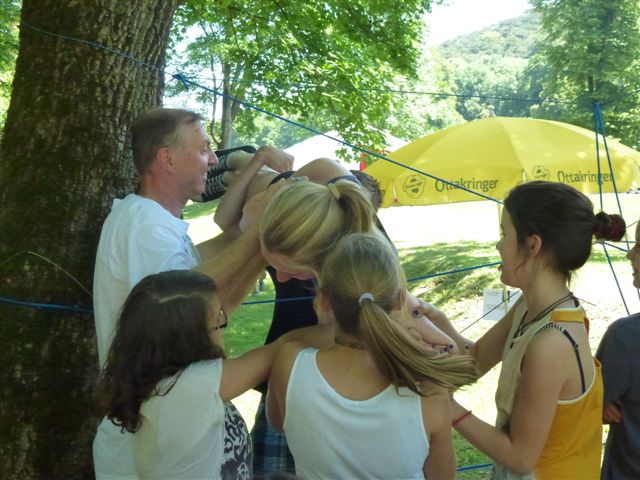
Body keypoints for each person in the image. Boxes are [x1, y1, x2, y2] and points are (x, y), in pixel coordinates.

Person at [92, 107, 293, 479]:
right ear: (167, 159)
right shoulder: (145, 226)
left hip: (164, 436)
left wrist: (262, 229)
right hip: (146, 449)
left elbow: (220, 274)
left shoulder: (154, 222)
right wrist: (258, 231)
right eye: (203, 149)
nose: (213, 160)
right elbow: (192, 304)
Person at [421, 180, 625, 479]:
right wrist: (435, 320)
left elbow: (520, 457)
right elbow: (475, 360)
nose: (498, 245)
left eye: (504, 234)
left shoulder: (551, 343)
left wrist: (445, 404)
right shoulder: (529, 307)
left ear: (532, 246)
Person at [266, 232, 478, 479]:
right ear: (400, 301)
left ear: (323, 301)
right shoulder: (428, 388)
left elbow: (279, 423)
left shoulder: (289, 362)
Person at [97, 269, 329, 479]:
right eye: (218, 319)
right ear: (191, 338)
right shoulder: (187, 389)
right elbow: (283, 346)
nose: (223, 324)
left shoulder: (156, 379)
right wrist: (345, 326)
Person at [596, 218, 640, 480]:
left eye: (639, 246)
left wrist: (596, 404)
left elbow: (582, 408)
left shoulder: (625, 337)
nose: (629, 254)